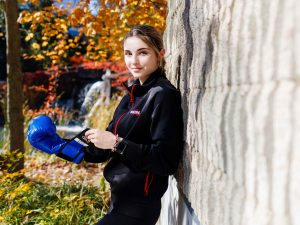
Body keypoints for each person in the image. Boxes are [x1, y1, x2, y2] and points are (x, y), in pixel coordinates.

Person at [84, 25, 184, 225]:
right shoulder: (132, 94)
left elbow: (165, 161)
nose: (134, 61)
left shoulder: (163, 95)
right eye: (128, 54)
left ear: (160, 54)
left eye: (143, 53)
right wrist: (60, 146)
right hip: (118, 201)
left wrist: (116, 143)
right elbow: (101, 153)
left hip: (139, 207)